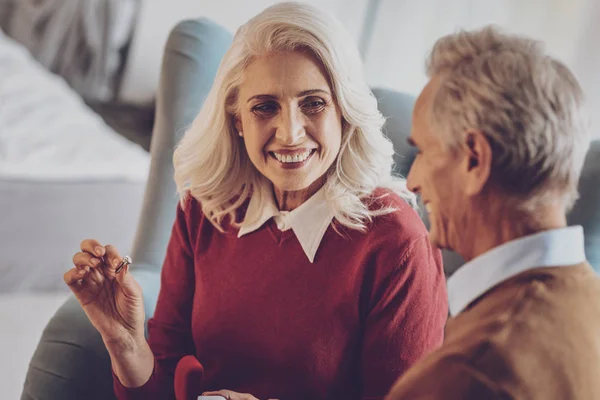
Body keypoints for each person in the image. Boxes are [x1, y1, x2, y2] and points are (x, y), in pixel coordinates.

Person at [63, 3, 448, 400]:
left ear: (344, 113)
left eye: (313, 103)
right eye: (265, 107)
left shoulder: (397, 242)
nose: (290, 133)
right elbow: (163, 382)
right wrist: (125, 344)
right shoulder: (205, 208)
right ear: (237, 122)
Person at [385, 25, 600, 400]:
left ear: (474, 160)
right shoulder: (587, 303)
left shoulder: (467, 374)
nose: (413, 181)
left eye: (422, 152)